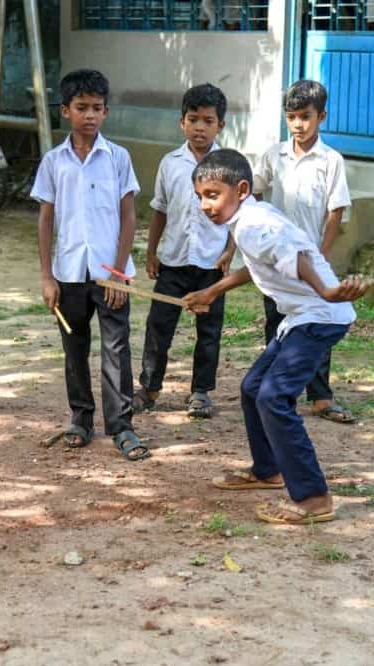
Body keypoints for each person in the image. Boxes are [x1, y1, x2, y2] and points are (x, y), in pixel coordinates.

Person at [183, 149, 369, 524]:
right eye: (200, 196)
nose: (205, 205)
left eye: (213, 195)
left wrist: (327, 292)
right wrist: (213, 291)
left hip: (319, 315)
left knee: (274, 396)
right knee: (253, 387)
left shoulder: (252, 225)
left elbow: (295, 255)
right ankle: (268, 470)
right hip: (303, 315)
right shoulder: (249, 218)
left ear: (242, 188)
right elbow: (261, 266)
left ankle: (314, 498)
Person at [31, 69, 149, 460]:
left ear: (106, 111)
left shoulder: (118, 158)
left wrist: (118, 274)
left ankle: (122, 426)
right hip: (68, 275)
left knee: (117, 349)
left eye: (97, 108)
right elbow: (47, 219)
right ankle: (81, 419)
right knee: (74, 348)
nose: (90, 116)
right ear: (66, 110)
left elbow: (129, 217)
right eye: (81, 108)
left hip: (109, 275)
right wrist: (47, 277)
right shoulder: (54, 161)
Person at [252, 79, 355, 425]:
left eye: (305, 117)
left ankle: (321, 396)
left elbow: (336, 211)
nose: (298, 124)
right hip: (279, 259)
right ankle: (277, 387)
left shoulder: (331, 160)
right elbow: (255, 190)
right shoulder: (273, 155)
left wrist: (321, 255)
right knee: (277, 322)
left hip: (313, 261)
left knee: (317, 321)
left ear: (321, 116)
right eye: (292, 116)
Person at [134, 83, 234, 419]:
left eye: (208, 120)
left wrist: (229, 252)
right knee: (158, 327)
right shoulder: (170, 163)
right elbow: (160, 208)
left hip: (210, 264)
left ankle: (201, 393)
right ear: (182, 123)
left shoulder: (230, 166)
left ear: (220, 125)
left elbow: (242, 214)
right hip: (173, 261)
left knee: (208, 332)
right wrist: (152, 251)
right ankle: (149, 388)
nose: (200, 127)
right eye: (193, 119)